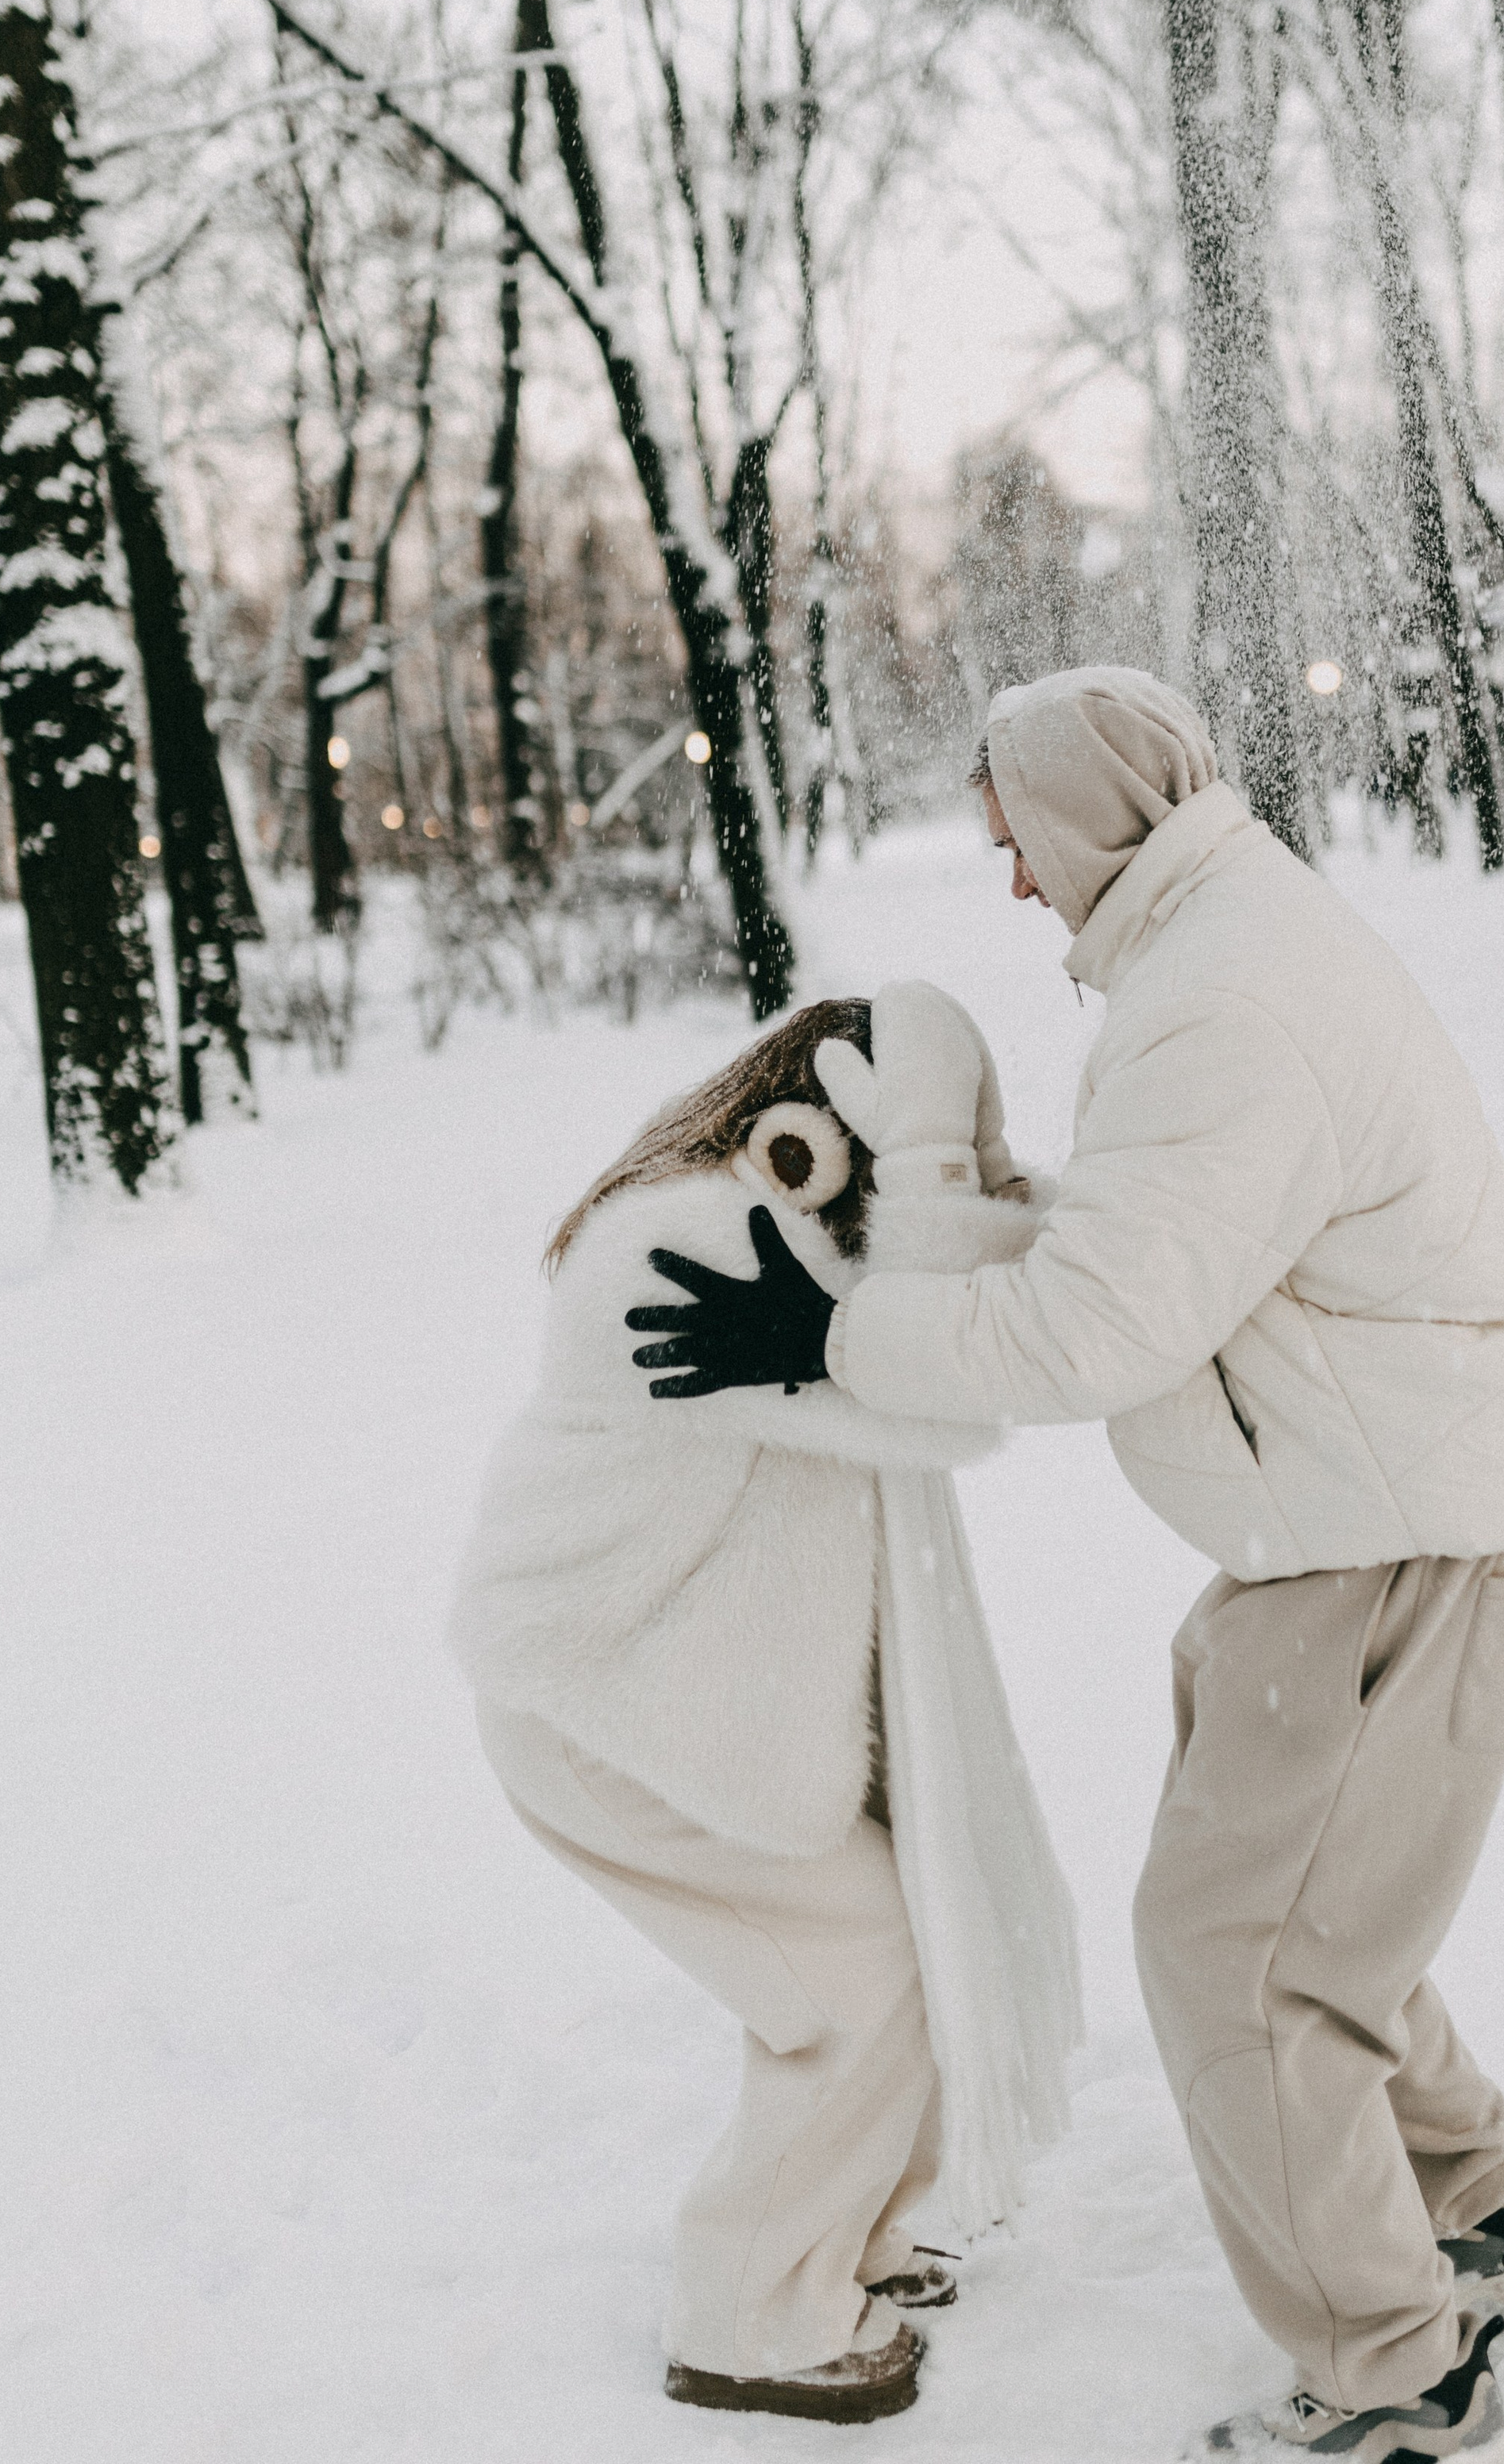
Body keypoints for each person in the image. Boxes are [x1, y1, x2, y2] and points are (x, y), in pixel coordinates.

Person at [628, 667, 1504, 2464]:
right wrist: (920, 1240)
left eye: (1014, 839)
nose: (1009, 880)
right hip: (1363, 1515)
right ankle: (1483, 2203)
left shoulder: (1222, 995)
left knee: (1246, 1952)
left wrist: (827, 1332)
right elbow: (1142, 1237)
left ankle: (1398, 2389)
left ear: (1089, 813)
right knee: (1315, 1912)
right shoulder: (1219, 946)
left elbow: (1093, 1328)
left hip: (1400, 1533)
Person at [452, 986, 1079, 2426]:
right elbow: (950, 1401)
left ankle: (857, 2235)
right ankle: (753, 2311)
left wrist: (964, 1161)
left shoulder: (803, 1263)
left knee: (893, 1950)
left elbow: (1001, 1310)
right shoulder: (689, 1245)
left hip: (684, 1707)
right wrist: (915, 1187)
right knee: (860, 1989)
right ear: (816, 1122)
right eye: (905, 1143)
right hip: (605, 1709)